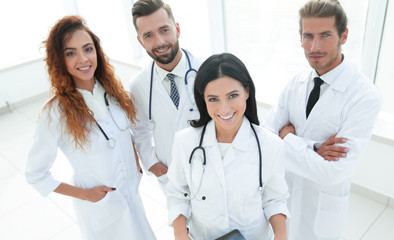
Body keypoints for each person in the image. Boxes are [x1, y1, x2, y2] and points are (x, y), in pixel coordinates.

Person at [25, 16, 156, 240]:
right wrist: (85, 195)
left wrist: (135, 166)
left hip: (132, 199)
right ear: (59, 60)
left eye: (88, 49)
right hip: (100, 213)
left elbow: (124, 133)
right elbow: (35, 174)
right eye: (71, 53)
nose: (83, 59)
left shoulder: (115, 93)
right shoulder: (55, 112)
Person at [263, 1, 381, 239]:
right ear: (300, 37)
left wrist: (287, 138)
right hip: (284, 198)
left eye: (325, 35)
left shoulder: (364, 96)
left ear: (344, 36)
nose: (314, 47)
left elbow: (332, 173)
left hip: (322, 210)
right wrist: (314, 148)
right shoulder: (294, 83)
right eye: (308, 35)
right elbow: (265, 136)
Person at [167, 53, 289, 240]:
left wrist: (281, 236)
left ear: (247, 91)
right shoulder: (185, 142)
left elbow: (275, 199)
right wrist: (180, 235)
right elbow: (178, 194)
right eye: (213, 99)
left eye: (232, 96)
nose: (224, 109)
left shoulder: (270, 145)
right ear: (203, 100)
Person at [129, 0, 203, 194]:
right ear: (140, 41)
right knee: (181, 223)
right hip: (170, 175)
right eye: (149, 35)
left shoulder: (206, 70)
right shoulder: (138, 85)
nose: (160, 42)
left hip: (210, 169)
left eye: (164, 30)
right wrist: (151, 162)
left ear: (177, 29)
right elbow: (139, 129)